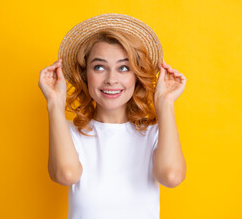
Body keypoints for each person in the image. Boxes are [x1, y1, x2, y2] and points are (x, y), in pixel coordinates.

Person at [38, 13, 187, 219]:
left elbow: (171, 176)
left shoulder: (156, 133)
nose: (111, 79)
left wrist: (165, 103)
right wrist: (54, 103)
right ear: (85, 75)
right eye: (99, 67)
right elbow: (65, 174)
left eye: (123, 68)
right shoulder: (70, 133)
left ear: (136, 76)